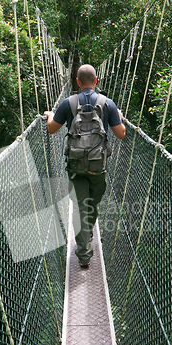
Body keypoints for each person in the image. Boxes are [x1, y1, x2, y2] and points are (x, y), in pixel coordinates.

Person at [44, 64, 125, 269]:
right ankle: (85, 247)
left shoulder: (68, 103)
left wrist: (50, 116)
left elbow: (52, 130)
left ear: (77, 82)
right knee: (92, 205)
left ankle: (84, 252)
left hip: (76, 166)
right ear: (96, 81)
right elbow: (121, 133)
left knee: (81, 208)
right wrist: (119, 117)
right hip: (98, 167)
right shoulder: (108, 103)